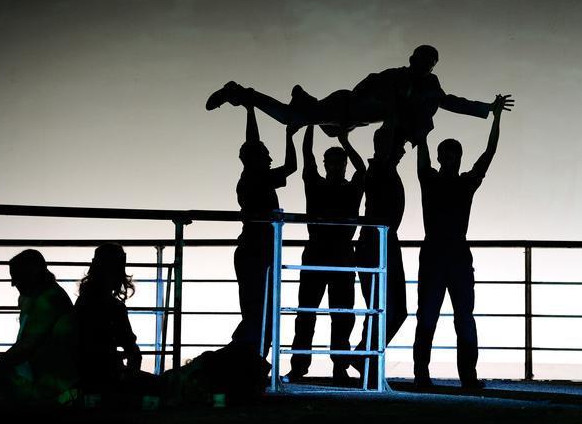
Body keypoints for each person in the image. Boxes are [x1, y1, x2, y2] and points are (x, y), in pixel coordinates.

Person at [205, 45, 514, 157]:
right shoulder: (394, 75)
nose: (425, 68)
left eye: (430, 64)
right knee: (291, 118)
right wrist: (362, 101)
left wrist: (487, 108)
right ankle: (241, 92)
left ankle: (304, 99)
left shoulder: (429, 87)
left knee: (321, 126)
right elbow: (367, 82)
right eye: (422, 61)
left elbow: (449, 102)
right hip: (345, 107)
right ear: (412, 60)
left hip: (350, 117)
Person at [412, 93, 510, 390]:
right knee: (436, 317)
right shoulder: (443, 180)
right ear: (444, 158)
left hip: (445, 253)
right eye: (448, 155)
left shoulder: (441, 180)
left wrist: (496, 119)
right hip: (444, 253)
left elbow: (489, 153)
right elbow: (487, 154)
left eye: (452, 155)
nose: (450, 160)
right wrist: (495, 117)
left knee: (454, 317)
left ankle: (454, 376)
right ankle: (434, 376)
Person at [285, 126, 366, 385]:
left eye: (339, 162)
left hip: (337, 254)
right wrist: (310, 125)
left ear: (343, 164)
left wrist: (342, 140)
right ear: (326, 164)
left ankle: (338, 366)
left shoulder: (347, 188)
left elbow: (362, 170)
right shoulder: (318, 185)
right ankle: (300, 367)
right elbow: (307, 156)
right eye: (332, 162)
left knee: (341, 314)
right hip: (322, 253)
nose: (335, 166)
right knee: (307, 313)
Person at [0, 249, 78, 405]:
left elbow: (26, 346)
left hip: (48, 385)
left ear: (32, 274)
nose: (13, 283)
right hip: (47, 378)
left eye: (17, 277)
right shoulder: (43, 296)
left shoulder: (48, 300)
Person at [231, 103, 299, 357]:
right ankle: (250, 358)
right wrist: (289, 135)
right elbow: (290, 166)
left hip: (256, 251)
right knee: (260, 310)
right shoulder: (256, 177)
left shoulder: (254, 176)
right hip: (257, 253)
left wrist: (251, 109)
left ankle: (251, 358)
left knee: (256, 309)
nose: (270, 159)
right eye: (266, 155)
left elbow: (254, 144)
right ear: (256, 159)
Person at [350, 127, 408, 388]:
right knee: (382, 308)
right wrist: (393, 111)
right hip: (375, 243)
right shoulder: (379, 168)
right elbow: (386, 139)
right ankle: (367, 359)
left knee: (395, 310)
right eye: (400, 145)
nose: (404, 150)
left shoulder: (384, 169)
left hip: (386, 242)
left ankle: (365, 356)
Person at [75, 243, 156, 398]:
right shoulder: (114, 307)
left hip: (89, 377)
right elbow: (131, 348)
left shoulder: (83, 302)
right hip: (107, 378)